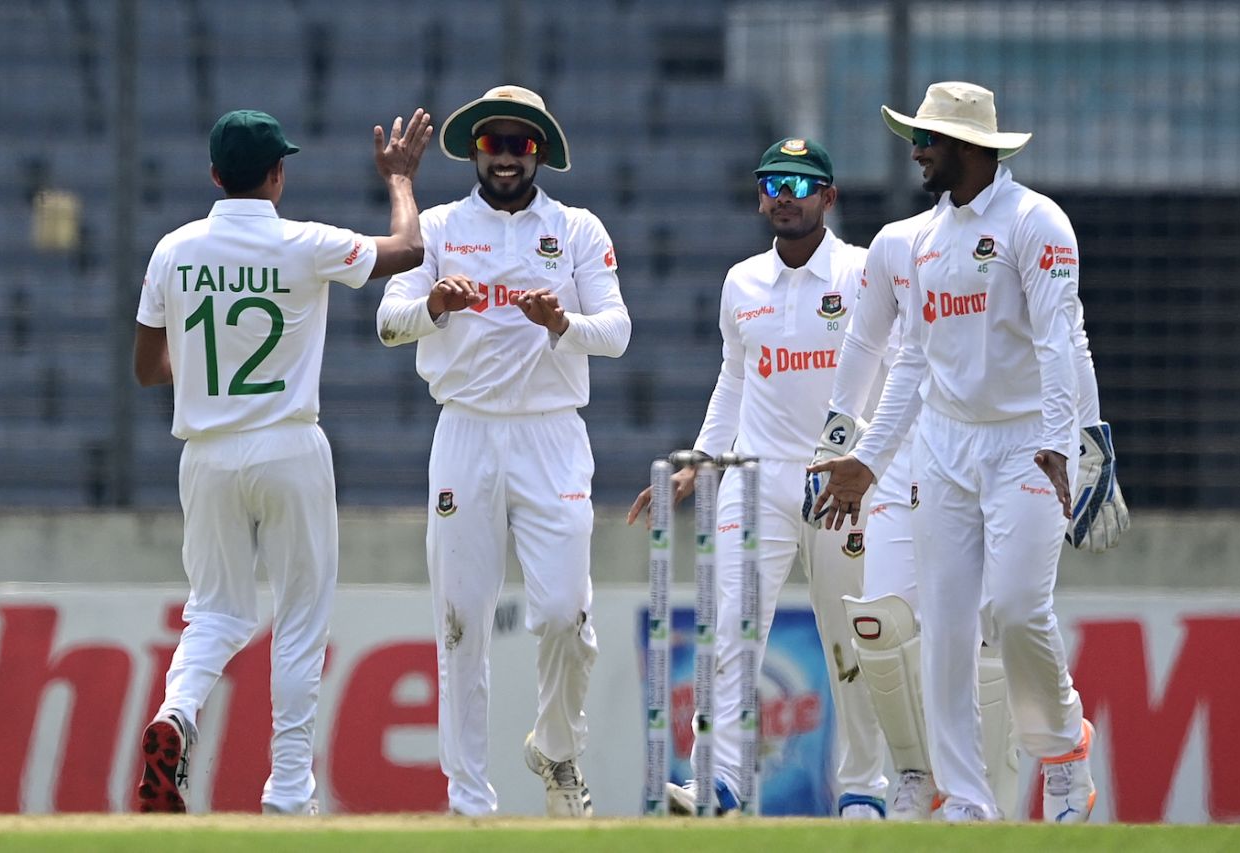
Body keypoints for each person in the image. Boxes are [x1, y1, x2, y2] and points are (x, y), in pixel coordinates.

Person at [808, 81, 1113, 822]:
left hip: (1023, 448)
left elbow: (1057, 340)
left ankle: (1066, 743)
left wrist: (1064, 439)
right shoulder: (921, 240)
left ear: (970, 148)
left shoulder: (1037, 223)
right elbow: (911, 361)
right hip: (945, 447)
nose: (916, 153)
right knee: (945, 627)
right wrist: (871, 459)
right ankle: (967, 797)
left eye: (928, 141)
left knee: (1014, 611)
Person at [133, 107, 433, 814]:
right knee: (299, 618)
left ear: (213, 175)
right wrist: (400, 180)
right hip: (289, 444)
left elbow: (148, 368)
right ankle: (289, 792)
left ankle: (176, 712)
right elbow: (409, 250)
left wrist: (214, 372)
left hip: (205, 454)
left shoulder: (172, 250)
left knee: (214, 611)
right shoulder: (306, 242)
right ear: (277, 175)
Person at [375, 85, 630, 818]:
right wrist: (435, 306)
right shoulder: (439, 226)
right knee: (460, 620)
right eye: (494, 143)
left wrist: (563, 323)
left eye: (521, 144)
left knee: (561, 613)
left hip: (552, 435)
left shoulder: (577, 229)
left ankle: (556, 746)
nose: (507, 157)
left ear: (539, 151)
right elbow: (388, 322)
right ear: (475, 150)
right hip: (465, 431)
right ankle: (468, 802)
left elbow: (616, 331)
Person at [628, 137, 891, 819]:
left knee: (850, 636)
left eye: (802, 186)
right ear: (758, 195)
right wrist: (703, 460)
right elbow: (735, 376)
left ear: (829, 198)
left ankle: (864, 787)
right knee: (728, 627)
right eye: (774, 182)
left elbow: (897, 377)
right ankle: (718, 780)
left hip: (839, 483)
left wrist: (879, 464)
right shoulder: (741, 281)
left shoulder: (864, 273)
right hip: (756, 475)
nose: (785, 195)